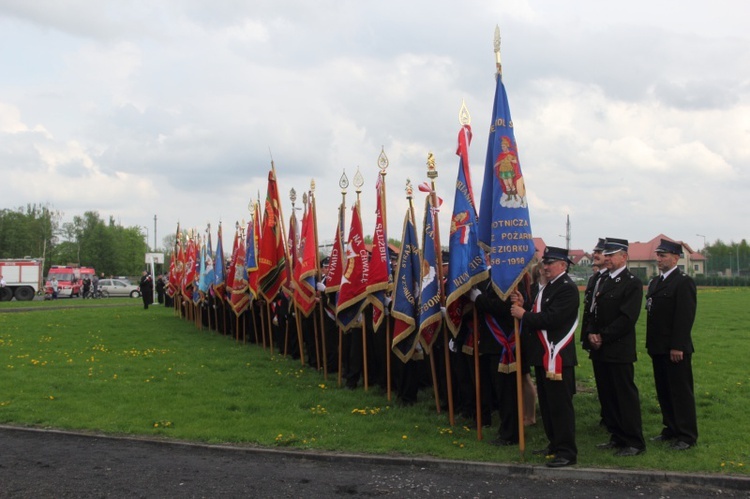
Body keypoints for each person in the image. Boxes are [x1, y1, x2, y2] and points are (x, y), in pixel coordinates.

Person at [511, 246, 579, 468]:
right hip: (543, 355)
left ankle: (567, 452)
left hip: (557, 356)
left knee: (560, 406)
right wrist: (525, 304)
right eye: (544, 263)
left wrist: (524, 315)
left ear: (563, 265)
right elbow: (539, 310)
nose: (545, 267)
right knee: (549, 405)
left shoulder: (567, 288)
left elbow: (552, 319)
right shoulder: (548, 287)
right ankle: (555, 444)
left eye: (550, 263)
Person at [586, 238, 646, 457]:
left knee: (624, 396)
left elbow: (627, 318)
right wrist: (592, 332)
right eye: (607, 255)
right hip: (600, 348)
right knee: (608, 395)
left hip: (618, 348)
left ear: (624, 257)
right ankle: (617, 436)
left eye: (612, 255)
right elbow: (593, 310)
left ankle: (634, 441)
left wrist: (603, 335)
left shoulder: (631, 282)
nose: (607, 258)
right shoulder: (603, 280)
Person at [646, 239, 698, 450]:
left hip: (675, 348)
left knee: (680, 392)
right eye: (658, 255)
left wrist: (677, 345)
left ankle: (686, 435)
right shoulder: (656, 282)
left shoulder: (683, 281)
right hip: (658, 347)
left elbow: (685, 317)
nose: (659, 259)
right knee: (664, 391)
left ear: (676, 258)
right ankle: (670, 428)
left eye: (664, 255)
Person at [581, 238, 613, 431]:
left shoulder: (609, 279)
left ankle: (611, 417)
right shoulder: (595, 279)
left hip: (608, 338)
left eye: (601, 252)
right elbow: (590, 309)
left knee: (611, 383)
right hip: (593, 336)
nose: (596, 255)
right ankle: (606, 415)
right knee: (601, 381)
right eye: (595, 251)